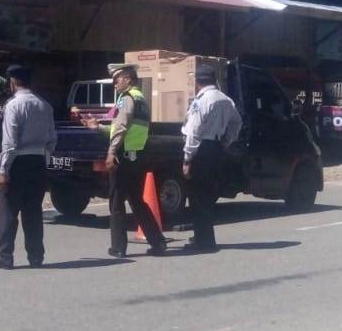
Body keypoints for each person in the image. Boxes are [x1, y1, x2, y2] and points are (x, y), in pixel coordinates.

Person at [85, 63, 167, 258]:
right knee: (137, 201)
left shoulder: (126, 98)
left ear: (128, 79)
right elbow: (122, 128)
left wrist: (111, 152)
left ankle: (118, 247)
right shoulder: (141, 99)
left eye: (117, 78)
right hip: (137, 156)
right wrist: (98, 127)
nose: (114, 83)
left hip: (123, 157)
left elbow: (120, 127)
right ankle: (158, 242)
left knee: (116, 202)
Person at [0, 65, 57, 270]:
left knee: (9, 212)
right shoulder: (45, 106)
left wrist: (3, 170)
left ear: (12, 83)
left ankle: (5, 257)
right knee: (33, 212)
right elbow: (52, 140)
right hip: (38, 163)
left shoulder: (13, 106)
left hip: (17, 163)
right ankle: (36, 257)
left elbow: (9, 143)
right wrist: (44, 159)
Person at [181, 64, 242, 253]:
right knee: (207, 195)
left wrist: (187, 158)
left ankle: (204, 242)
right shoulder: (226, 100)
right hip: (216, 148)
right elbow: (237, 122)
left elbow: (193, 131)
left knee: (197, 196)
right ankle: (204, 237)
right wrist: (227, 141)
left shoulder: (201, 101)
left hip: (202, 150)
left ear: (198, 82)